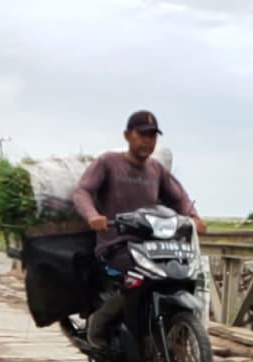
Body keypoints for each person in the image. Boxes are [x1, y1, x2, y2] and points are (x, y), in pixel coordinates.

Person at [72, 110, 206, 349]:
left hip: (152, 245)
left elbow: (179, 198)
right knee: (137, 277)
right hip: (116, 245)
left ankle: (166, 329)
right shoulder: (108, 163)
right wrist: (93, 216)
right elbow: (82, 191)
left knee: (179, 273)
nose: (148, 140)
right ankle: (98, 323)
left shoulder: (156, 169)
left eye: (152, 136)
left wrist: (193, 217)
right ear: (127, 135)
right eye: (142, 134)